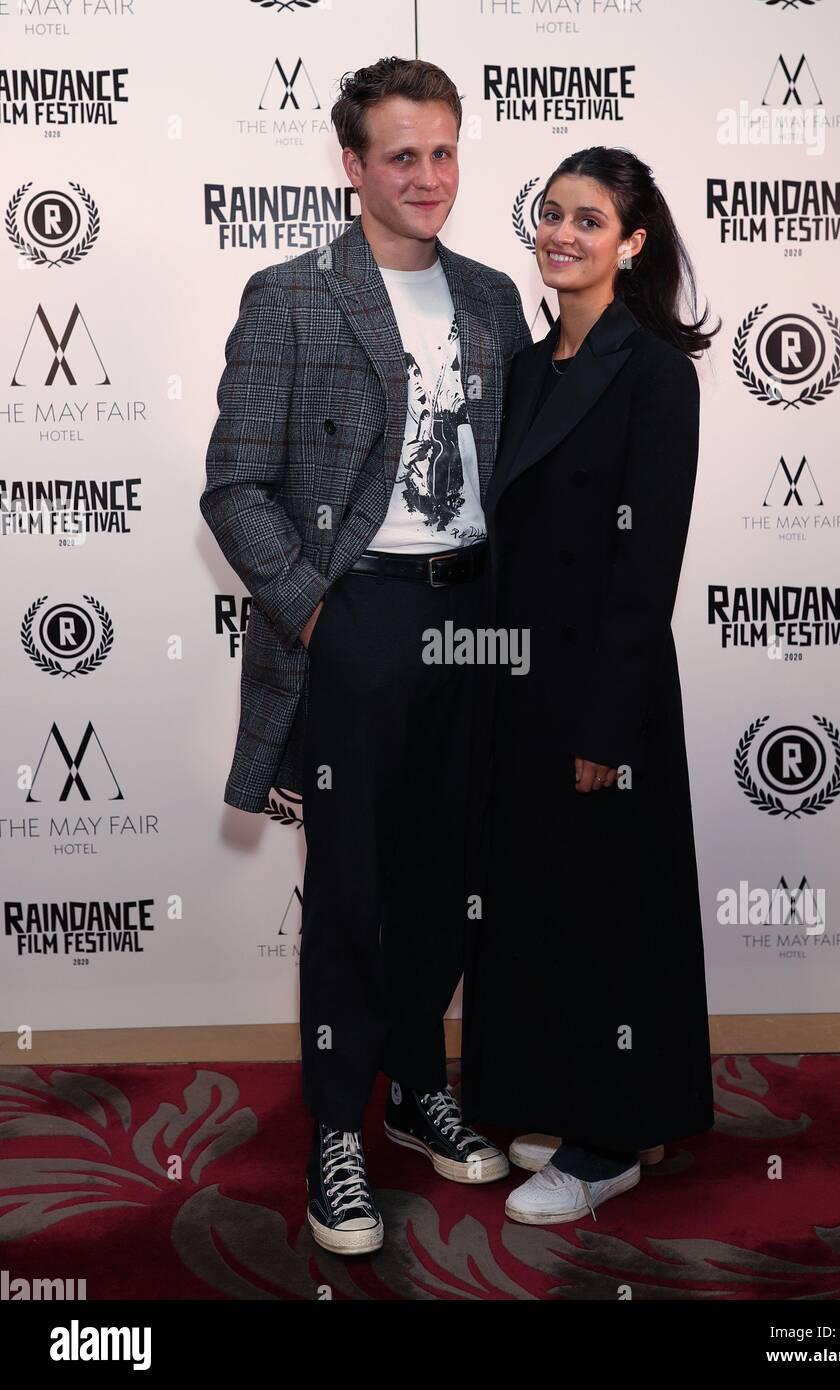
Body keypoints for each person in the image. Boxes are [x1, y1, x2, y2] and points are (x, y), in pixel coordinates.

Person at [200, 57, 532, 1255]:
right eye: (402, 154)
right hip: (359, 618)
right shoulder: (291, 297)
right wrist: (318, 617)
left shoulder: (496, 297)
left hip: (476, 620)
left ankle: (414, 1086)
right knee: (349, 894)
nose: (428, 176)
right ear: (353, 166)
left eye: (443, 151)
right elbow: (234, 488)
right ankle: (336, 1129)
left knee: (450, 878)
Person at [461, 146, 721, 1225]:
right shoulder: (526, 367)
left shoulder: (654, 372)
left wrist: (605, 726)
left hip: (602, 688)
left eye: (590, 220)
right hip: (517, 685)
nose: (564, 234)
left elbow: (644, 569)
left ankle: (610, 1140)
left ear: (633, 242)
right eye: (553, 215)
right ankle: (559, 1101)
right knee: (535, 907)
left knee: (608, 914)